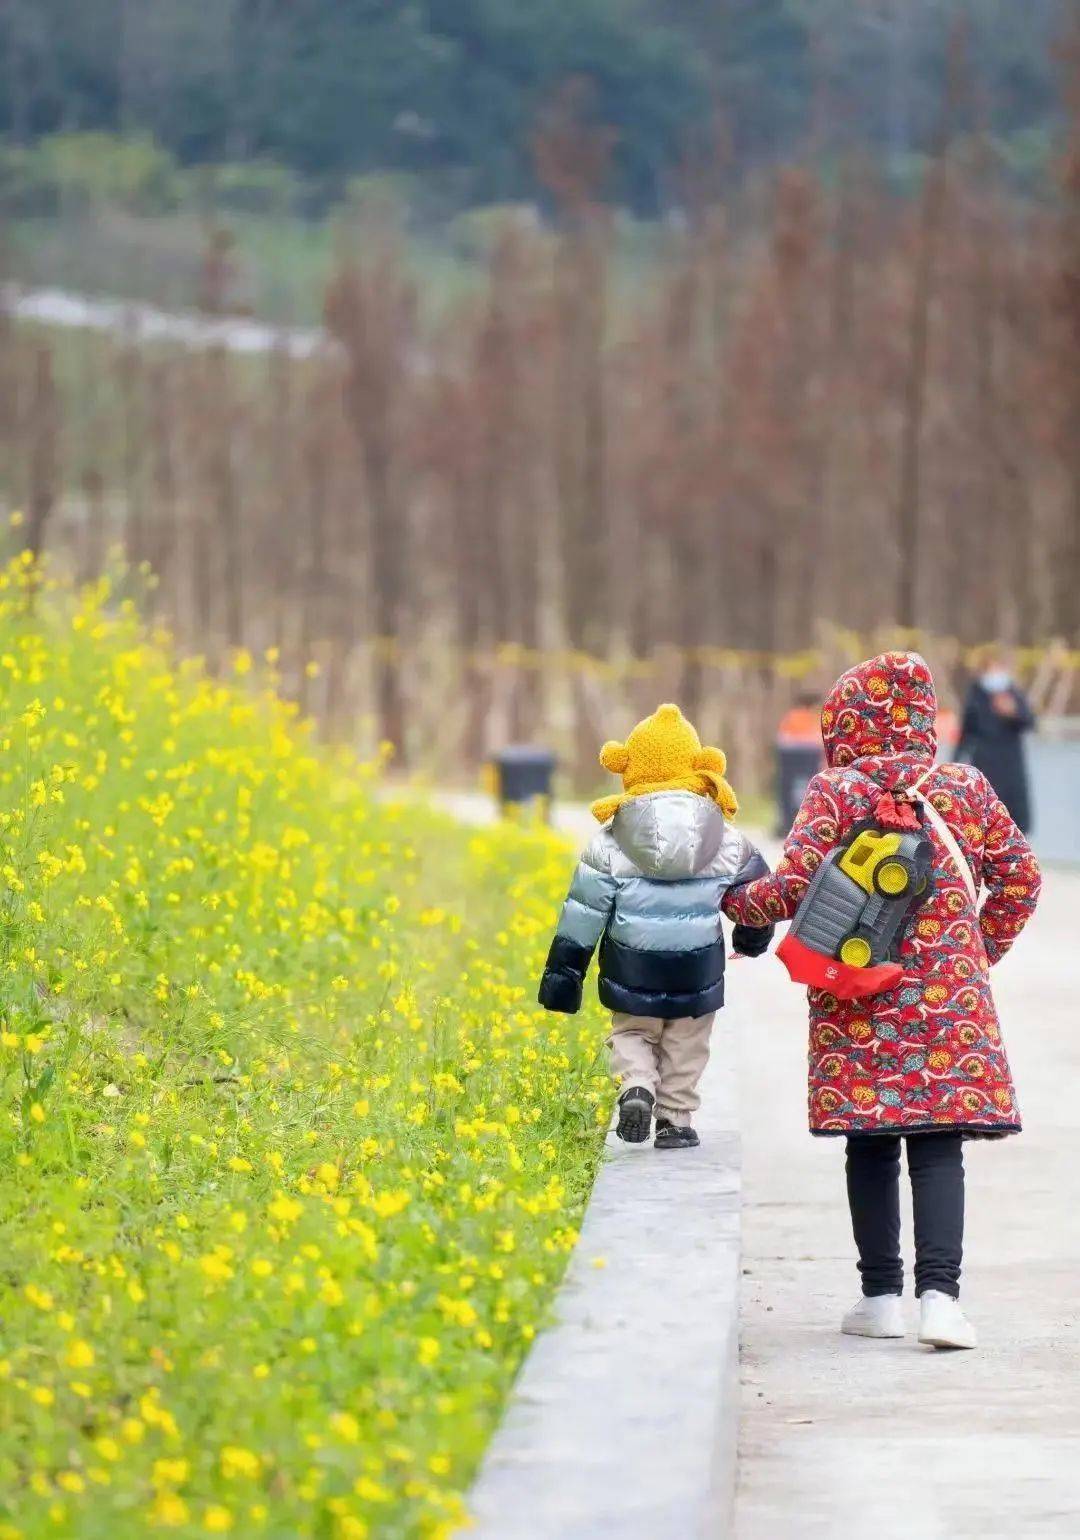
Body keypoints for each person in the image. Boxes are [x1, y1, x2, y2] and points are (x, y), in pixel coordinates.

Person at [724, 653, 1041, 1348]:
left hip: (860, 996)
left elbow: (791, 888)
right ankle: (942, 1300)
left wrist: (732, 898)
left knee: (869, 1144)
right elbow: (1021, 877)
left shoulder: (837, 790)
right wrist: (979, 951)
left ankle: (878, 1299)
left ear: (846, 724)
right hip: (950, 1007)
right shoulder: (967, 786)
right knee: (937, 1147)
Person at [537, 703, 774, 1149]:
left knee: (631, 1033)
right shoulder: (725, 835)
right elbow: (757, 894)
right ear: (697, 763)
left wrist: (563, 978)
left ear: (629, 766)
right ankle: (675, 1120)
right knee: (688, 1042)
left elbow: (582, 914)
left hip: (632, 964)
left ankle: (637, 1086)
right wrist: (751, 935)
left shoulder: (609, 839)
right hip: (697, 964)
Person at [958, 650, 1036, 832]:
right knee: (985, 809)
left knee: (1014, 812)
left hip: (1011, 763)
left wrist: (1013, 713)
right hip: (984, 761)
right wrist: (956, 761)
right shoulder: (976, 695)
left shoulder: (1013, 694)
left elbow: (1030, 722)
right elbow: (966, 732)